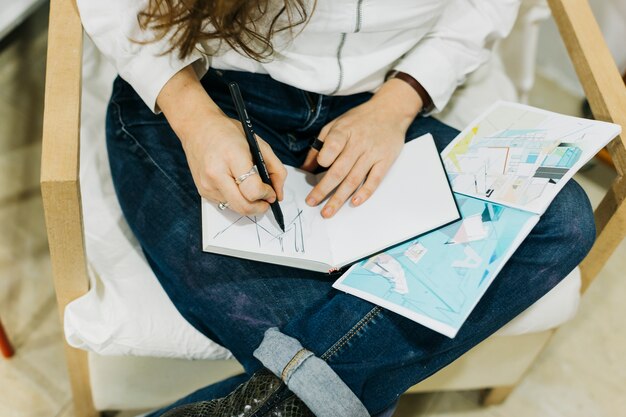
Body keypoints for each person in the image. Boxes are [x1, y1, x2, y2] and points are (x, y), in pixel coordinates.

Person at [77, 1, 596, 416]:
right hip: (205, 96)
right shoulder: (196, 110)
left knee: (561, 217)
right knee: (332, 374)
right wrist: (194, 120)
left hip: (380, 104)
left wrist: (401, 100)